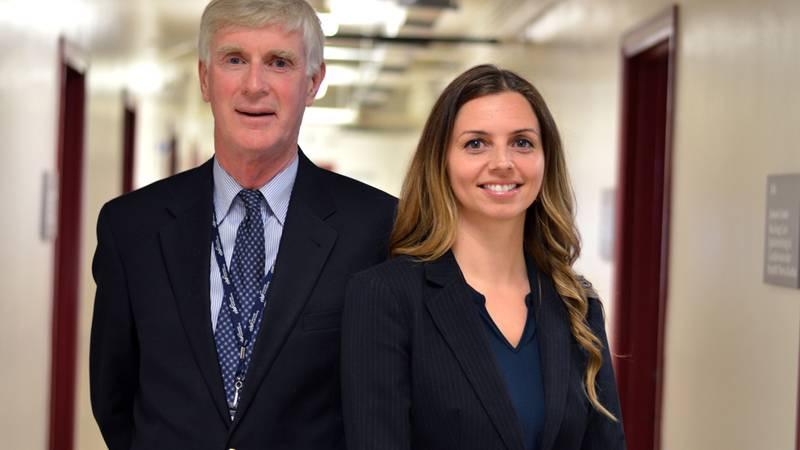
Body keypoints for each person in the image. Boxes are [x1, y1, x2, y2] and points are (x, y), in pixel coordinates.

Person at [89, 0, 395, 448]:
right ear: (204, 78)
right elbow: (114, 397)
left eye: (279, 62)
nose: (255, 85)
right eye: (235, 59)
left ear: (313, 82)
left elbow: (383, 403)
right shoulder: (131, 228)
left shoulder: (377, 229)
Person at [341, 64, 626, 450]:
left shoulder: (576, 302)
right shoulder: (385, 297)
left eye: (522, 142)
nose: (502, 162)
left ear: (545, 159)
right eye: (476, 143)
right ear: (441, 160)